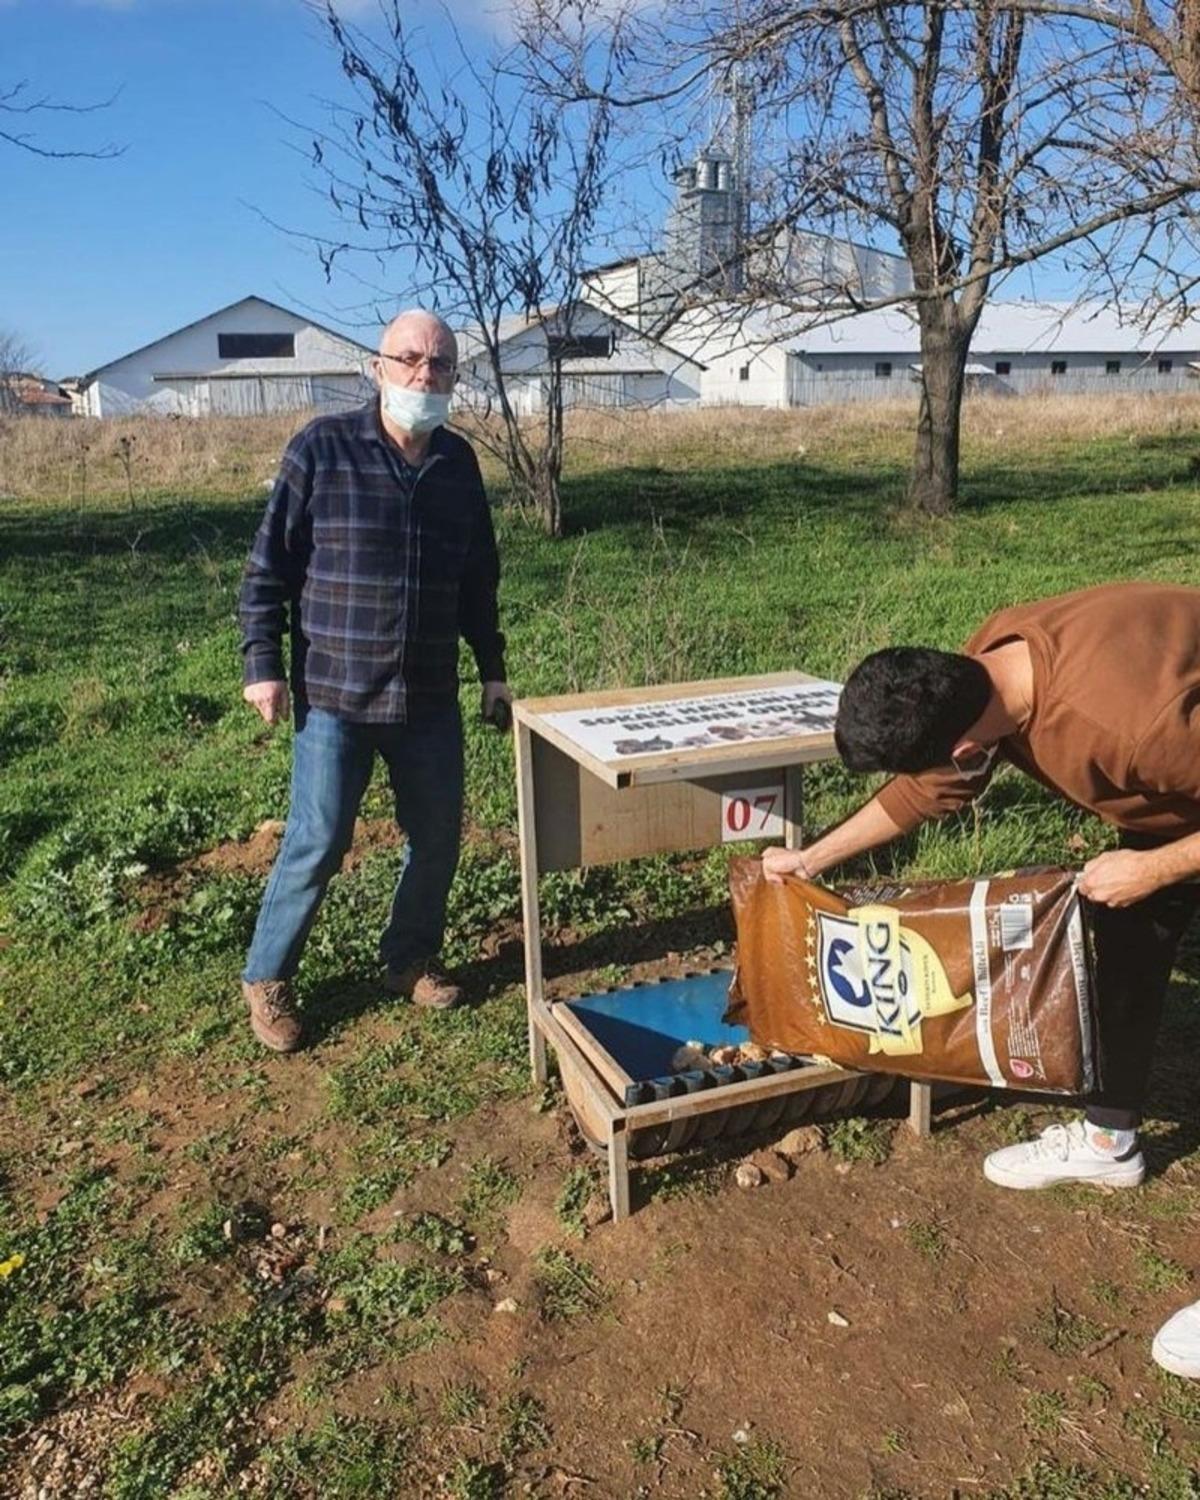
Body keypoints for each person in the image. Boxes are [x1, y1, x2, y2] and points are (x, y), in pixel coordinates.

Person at [761, 581, 1200, 1378]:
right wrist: (809, 859)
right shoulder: (988, 665)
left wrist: (1155, 867)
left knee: (1133, 890)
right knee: (1118, 932)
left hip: (1178, 768)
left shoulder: (1127, 724)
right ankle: (1109, 1141)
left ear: (964, 745)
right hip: (1173, 794)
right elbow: (925, 793)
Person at [237, 309, 510, 1054]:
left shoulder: (457, 464)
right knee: (319, 839)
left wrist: (492, 671)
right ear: (378, 366)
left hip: (428, 696)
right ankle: (268, 976)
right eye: (411, 358)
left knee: (438, 838)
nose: (426, 374)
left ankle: (408, 958)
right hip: (336, 692)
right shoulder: (322, 448)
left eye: (441, 363)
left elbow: (478, 582)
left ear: (454, 377)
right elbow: (266, 570)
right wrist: (262, 664)